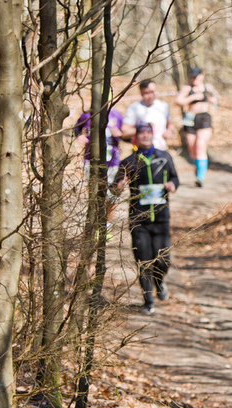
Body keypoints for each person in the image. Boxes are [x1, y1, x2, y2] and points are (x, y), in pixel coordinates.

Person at [112, 123, 179, 315]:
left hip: (161, 218)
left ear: (153, 135)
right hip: (138, 220)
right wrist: (119, 184)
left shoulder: (164, 157)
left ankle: (160, 282)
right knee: (143, 261)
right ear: (136, 138)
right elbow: (115, 185)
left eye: (148, 132)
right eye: (141, 133)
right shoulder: (129, 162)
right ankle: (148, 301)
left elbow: (176, 178)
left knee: (163, 260)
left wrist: (172, 185)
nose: (145, 136)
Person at [75, 104, 124, 238]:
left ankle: (106, 226)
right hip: (92, 161)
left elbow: (127, 135)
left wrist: (120, 134)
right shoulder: (87, 115)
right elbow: (77, 129)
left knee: (112, 195)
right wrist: (80, 136)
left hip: (112, 161)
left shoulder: (117, 115)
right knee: (96, 192)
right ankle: (94, 226)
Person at [175, 66, 219, 187]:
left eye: (196, 76)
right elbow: (178, 101)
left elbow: (217, 97)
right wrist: (193, 97)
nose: (194, 79)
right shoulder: (187, 88)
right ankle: (199, 167)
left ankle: (200, 178)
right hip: (190, 119)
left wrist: (213, 100)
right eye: (192, 76)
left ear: (202, 75)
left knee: (200, 147)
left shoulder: (208, 87)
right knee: (193, 151)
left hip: (204, 118)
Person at [122, 79, 173, 151]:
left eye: (152, 92)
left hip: (161, 150)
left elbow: (169, 124)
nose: (150, 96)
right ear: (141, 93)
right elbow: (125, 133)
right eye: (146, 93)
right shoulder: (134, 108)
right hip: (141, 151)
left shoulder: (163, 106)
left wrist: (169, 131)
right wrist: (143, 127)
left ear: (156, 90)